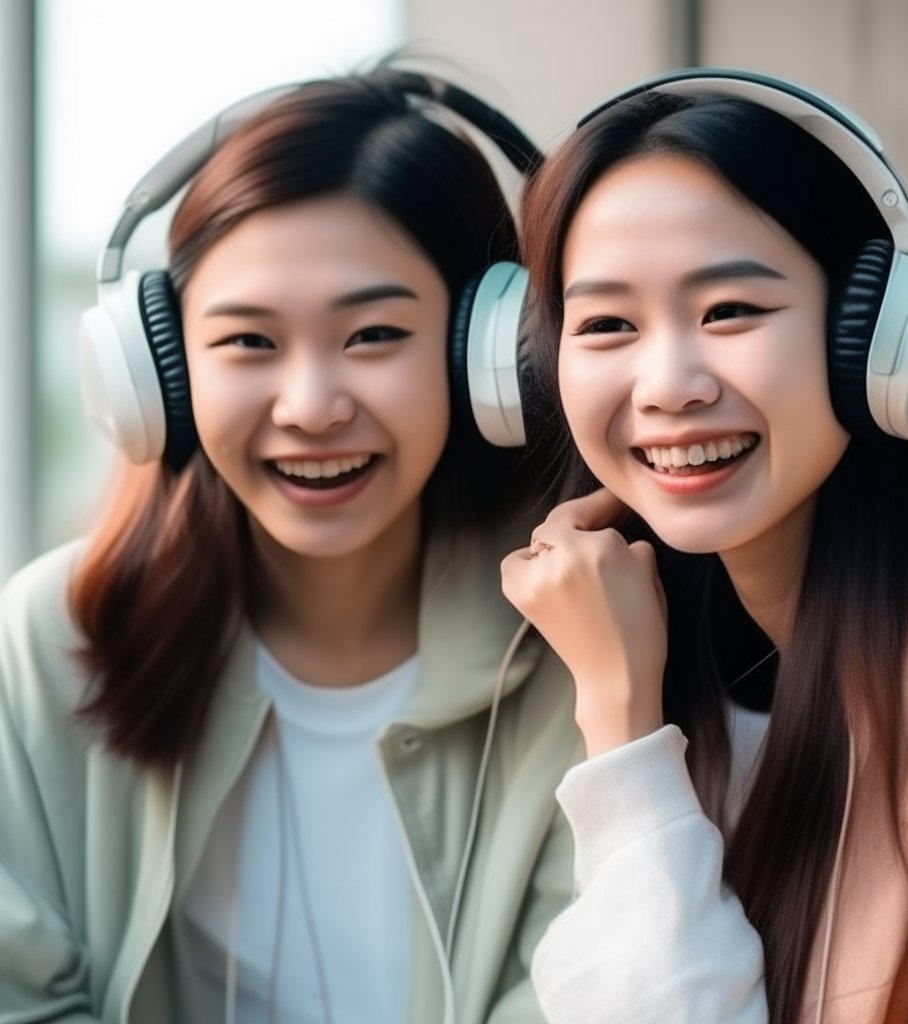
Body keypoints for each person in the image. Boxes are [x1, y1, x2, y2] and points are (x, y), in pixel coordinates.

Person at [0, 69, 588, 1024]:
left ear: (487, 355)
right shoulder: (47, 640)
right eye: (248, 343)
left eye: (373, 335)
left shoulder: (579, 652)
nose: (313, 407)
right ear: (162, 371)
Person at [502, 71, 908, 1024]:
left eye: (730, 311)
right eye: (608, 324)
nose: (668, 384)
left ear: (870, 335)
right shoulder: (670, 625)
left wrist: (623, 735)